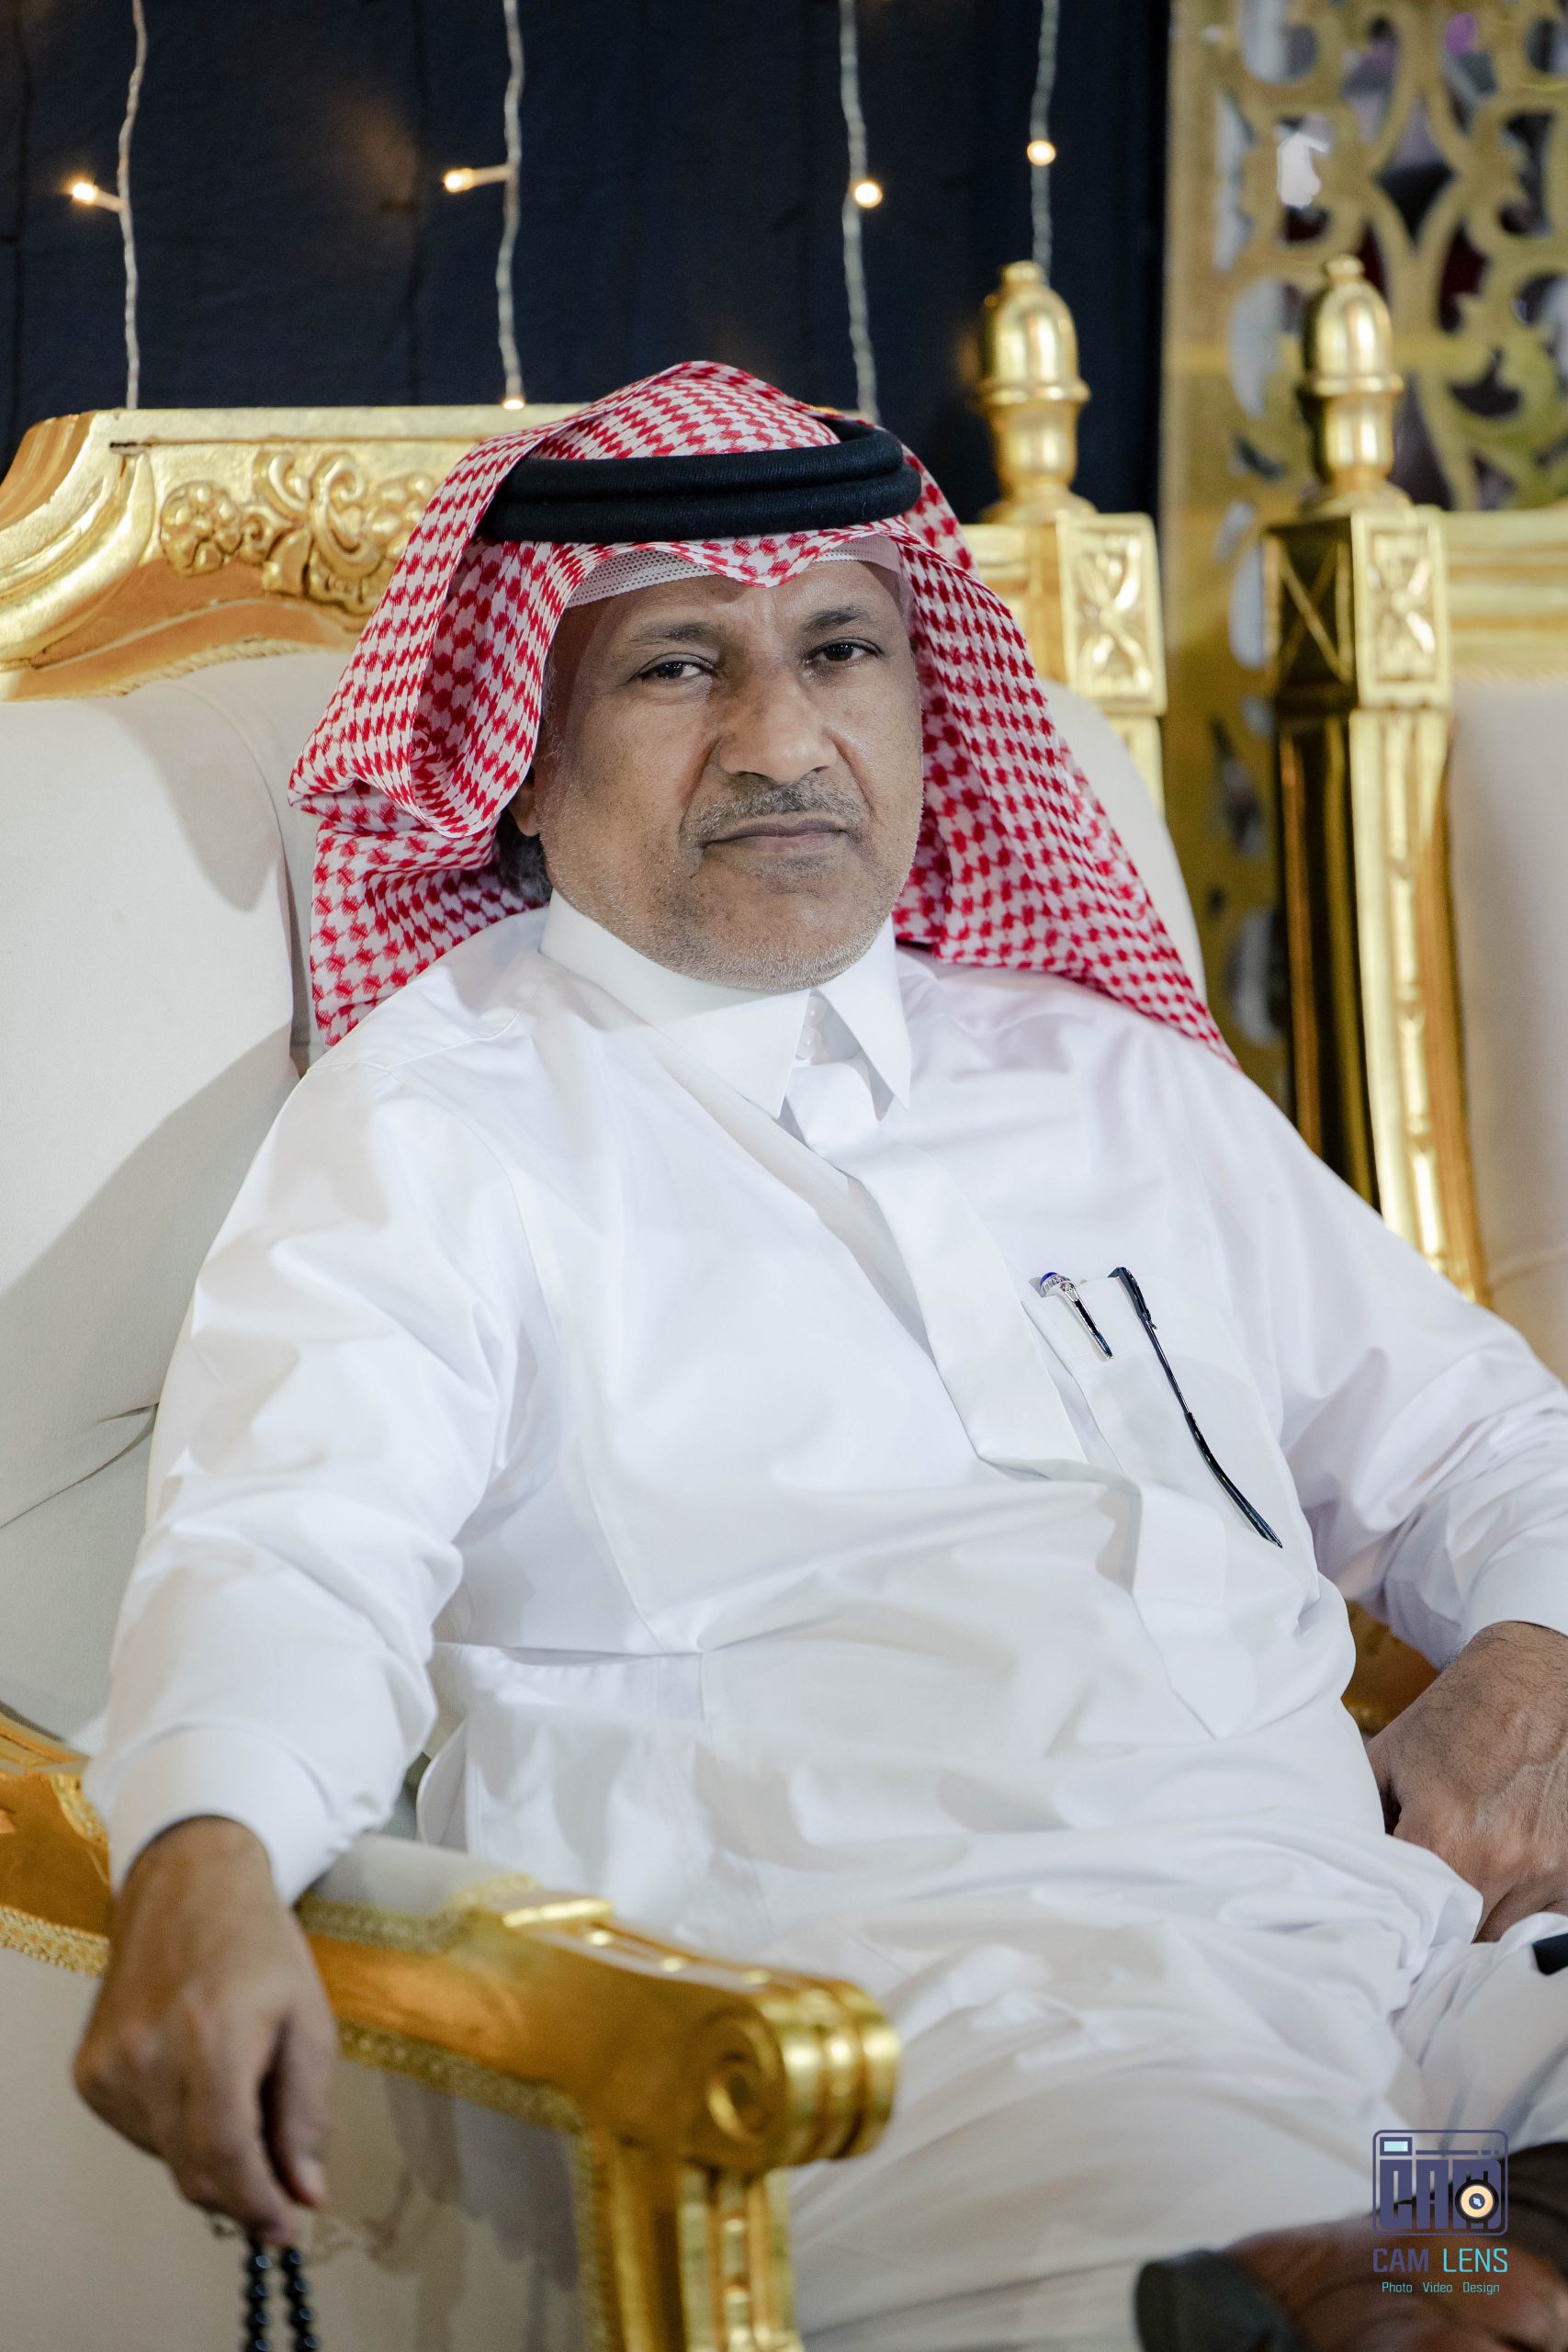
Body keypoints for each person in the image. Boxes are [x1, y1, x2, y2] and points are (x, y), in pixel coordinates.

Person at [71, 362, 1568, 2352]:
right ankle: (1398, 2271)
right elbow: (287, 1547)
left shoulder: (1102, 1075)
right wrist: (204, 1849)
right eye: (678, 665)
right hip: (931, 2026)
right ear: (522, 747)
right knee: (1325, 2253)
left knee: (1449, 2213)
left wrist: (1528, 1667)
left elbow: (1486, 1440)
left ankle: (1443, 2254)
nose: (783, 737)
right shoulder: (439, 1126)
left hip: (1383, 1972)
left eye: (841, 649)